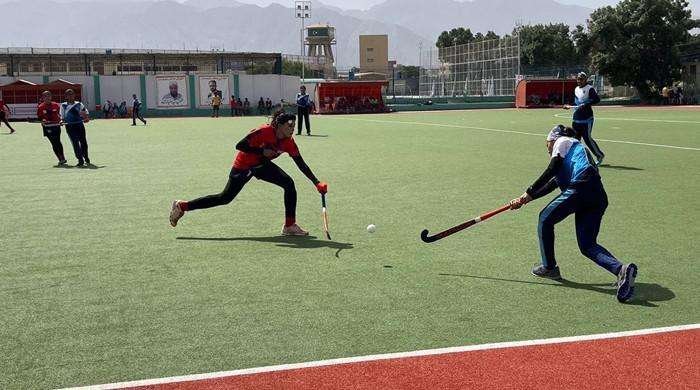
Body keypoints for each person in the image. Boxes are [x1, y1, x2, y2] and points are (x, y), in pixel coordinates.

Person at [509, 125, 637, 303]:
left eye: (547, 144)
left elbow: (551, 169)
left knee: (545, 219)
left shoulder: (563, 141)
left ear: (553, 139)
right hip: (597, 196)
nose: (547, 148)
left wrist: (528, 192)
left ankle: (549, 267)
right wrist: (525, 200)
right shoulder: (572, 156)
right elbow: (553, 183)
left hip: (582, 187)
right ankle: (621, 270)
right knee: (587, 245)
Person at [169, 111, 328, 235]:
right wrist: (261, 150)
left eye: (293, 126)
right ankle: (182, 206)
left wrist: (316, 183)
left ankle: (289, 225)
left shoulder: (289, 142)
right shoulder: (264, 131)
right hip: (244, 166)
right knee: (225, 198)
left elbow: (301, 164)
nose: (292, 129)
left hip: (261, 165)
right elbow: (240, 145)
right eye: (289, 126)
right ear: (279, 125)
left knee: (289, 183)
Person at [564, 72, 604, 166]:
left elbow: (596, 99)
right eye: (578, 79)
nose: (579, 81)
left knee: (587, 138)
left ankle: (599, 155)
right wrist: (568, 105)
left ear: (585, 79)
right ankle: (575, 158)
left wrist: (586, 104)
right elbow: (574, 101)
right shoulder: (576, 89)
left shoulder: (589, 89)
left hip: (587, 119)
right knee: (575, 139)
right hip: (576, 118)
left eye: (581, 79)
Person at [60, 89, 91, 167]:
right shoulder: (63, 105)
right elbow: (62, 117)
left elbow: (85, 113)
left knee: (83, 142)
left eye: (72, 94)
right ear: (66, 96)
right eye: (68, 94)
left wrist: (86, 118)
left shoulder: (79, 104)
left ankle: (86, 156)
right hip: (70, 126)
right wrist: (61, 121)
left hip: (79, 125)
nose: (70, 96)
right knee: (75, 143)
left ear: (74, 95)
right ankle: (80, 159)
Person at [37, 91, 67, 166]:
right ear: (43, 98)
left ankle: (62, 157)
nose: (47, 97)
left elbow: (60, 115)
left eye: (49, 96)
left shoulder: (56, 105)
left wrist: (61, 120)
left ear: (51, 96)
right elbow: (40, 118)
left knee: (58, 142)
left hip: (56, 125)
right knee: (54, 142)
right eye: (45, 96)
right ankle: (60, 159)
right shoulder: (41, 107)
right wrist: (43, 121)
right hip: (47, 127)